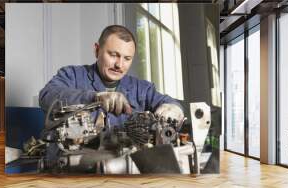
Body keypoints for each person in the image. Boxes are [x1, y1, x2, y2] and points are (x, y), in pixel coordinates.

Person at [39, 25, 184, 127]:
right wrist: (94, 98)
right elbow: (46, 96)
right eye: (113, 55)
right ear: (97, 50)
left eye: (127, 59)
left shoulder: (142, 89)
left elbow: (169, 103)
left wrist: (173, 108)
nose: (119, 65)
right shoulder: (72, 75)